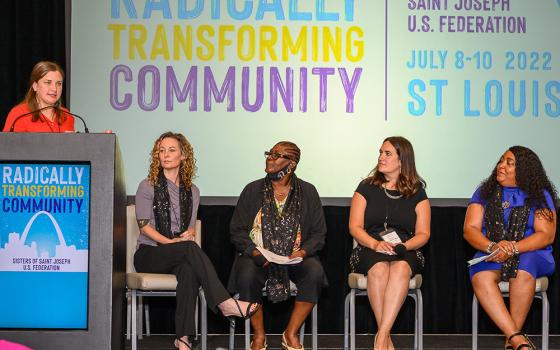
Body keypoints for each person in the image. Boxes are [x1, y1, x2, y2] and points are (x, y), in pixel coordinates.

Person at [134, 132, 259, 350]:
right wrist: (171, 243)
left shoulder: (193, 191)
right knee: (189, 249)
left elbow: (189, 229)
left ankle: (183, 339)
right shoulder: (147, 185)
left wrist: (187, 236)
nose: (166, 155)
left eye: (172, 150)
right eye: (161, 150)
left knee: (189, 271)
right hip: (150, 253)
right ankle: (224, 302)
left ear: (183, 156)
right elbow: (144, 226)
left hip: (178, 252)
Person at [228, 141, 327, 350]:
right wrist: (254, 252)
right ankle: (259, 336)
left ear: (291, 164)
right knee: (245, 273)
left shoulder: (308, 192)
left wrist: (302, 252)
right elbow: (236, 231)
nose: (270, 158)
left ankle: (290, 334)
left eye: (277, 155)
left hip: (294, 258)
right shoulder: (252, 190)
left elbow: (319, 233)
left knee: (315, 272)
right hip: (258, 257)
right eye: (269, 154)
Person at [463, 146, 557, 350]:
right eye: (501, 160)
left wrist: (513, 248)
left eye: (510, 163)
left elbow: (546, 235)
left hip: (533, 253)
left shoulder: (539, 195)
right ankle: (516, 339)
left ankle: (511, 340)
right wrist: (492, 246)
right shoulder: (484, 192)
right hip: (493, 252)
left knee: (523, 267)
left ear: (524, 170)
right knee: (480, 275)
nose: (501, 166)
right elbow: (470, 229)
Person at [348, 136, 430, 350]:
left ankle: (381, 336)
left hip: (406, 248)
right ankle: (385, 338)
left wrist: (404, 247)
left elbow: (423, 234)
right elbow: (355, 227)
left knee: (402, 267)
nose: (380, 158)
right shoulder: (365, 187)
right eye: (380, 152)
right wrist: (375, 245)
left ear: (402, 160)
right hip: (370, 247)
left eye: (387, 154)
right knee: (379, 270)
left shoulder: (417, 193)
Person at [3, 61, 74, 132]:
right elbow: (7, 143)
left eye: (59, 84)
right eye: (48, 82)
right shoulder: (19, 114)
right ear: (35, 86)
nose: (54, 89)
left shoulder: (66, 115)